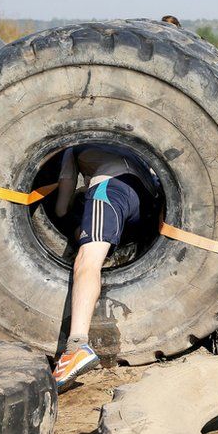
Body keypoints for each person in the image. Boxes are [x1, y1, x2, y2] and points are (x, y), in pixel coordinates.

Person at [51, 145, 158, 391]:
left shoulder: (74, 145)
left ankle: (76, 347)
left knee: (86, 259)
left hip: (109, 189)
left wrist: (78, 200)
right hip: (146, 201)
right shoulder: (130, 139)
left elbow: (61, 208)